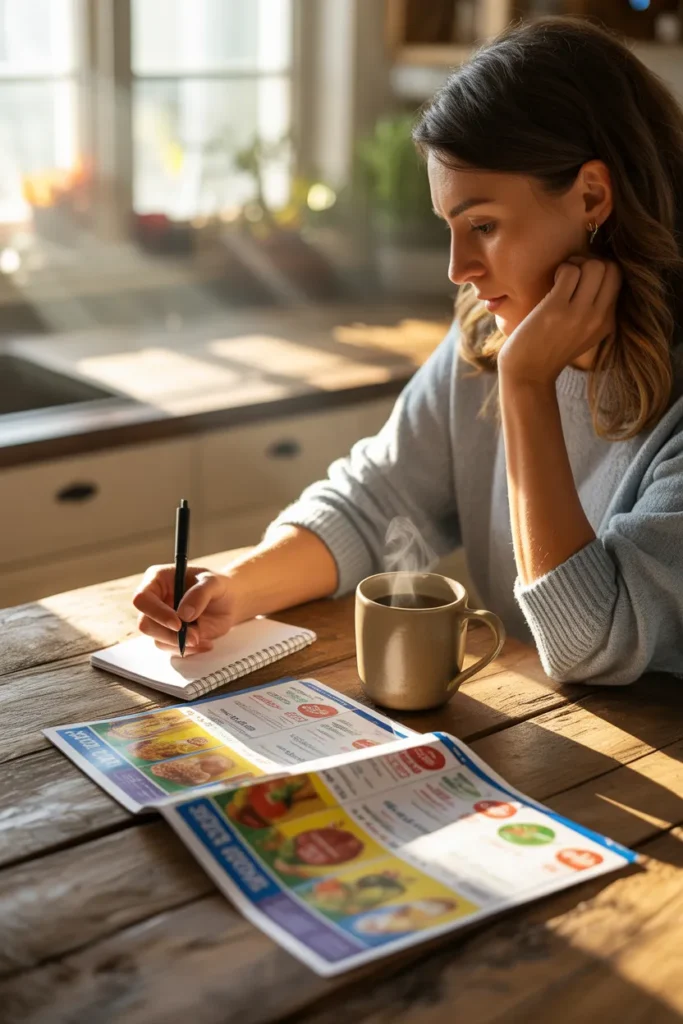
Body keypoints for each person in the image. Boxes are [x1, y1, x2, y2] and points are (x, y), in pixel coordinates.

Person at [133, 16, 683, 686]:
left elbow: (592, 643)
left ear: (592, 196)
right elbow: (378, 503)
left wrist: (526, 388)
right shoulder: (488, 336)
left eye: (483, 225)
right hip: (548, 750)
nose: (457, 269)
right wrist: (235, 589)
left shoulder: (538, 369)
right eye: (449, 227)